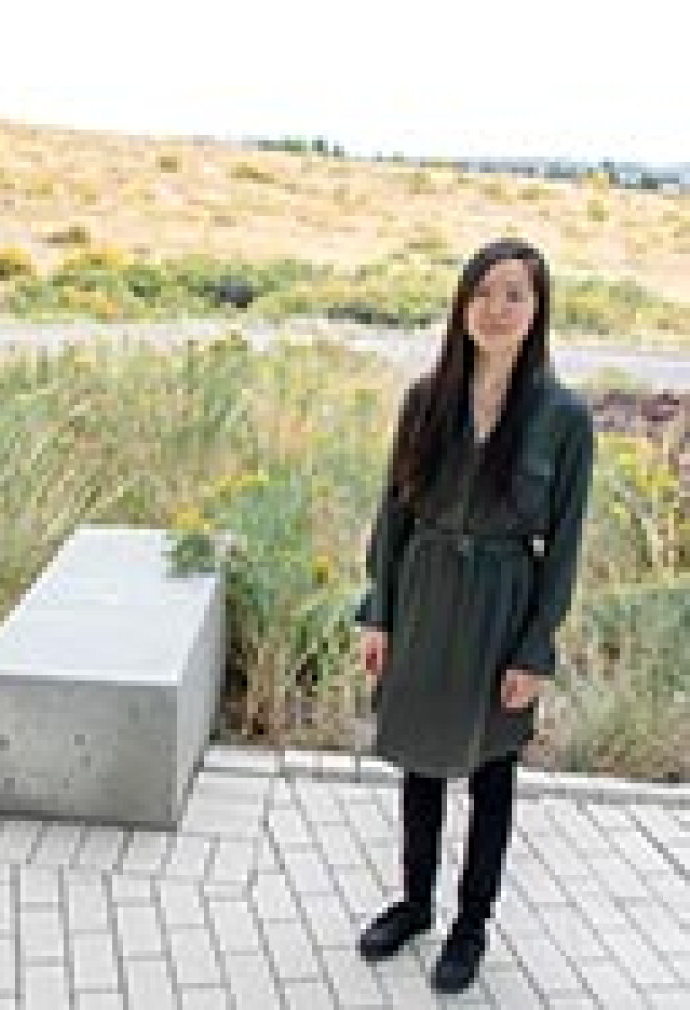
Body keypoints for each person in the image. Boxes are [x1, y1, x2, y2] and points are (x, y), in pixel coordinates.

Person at [353, 238, 594, 994]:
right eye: (483, 292)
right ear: (462, 304)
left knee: (492, 773)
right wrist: (378, 613)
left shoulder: (563, 418)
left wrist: (535, 649)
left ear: (536, 310)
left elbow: (563, 547)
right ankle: (415, 903)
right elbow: (392, 516)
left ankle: (470, 924)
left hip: (502, 605)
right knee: (421, 763)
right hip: (424, 594)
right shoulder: (425, 400)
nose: (496, 308)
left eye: (514, 294)